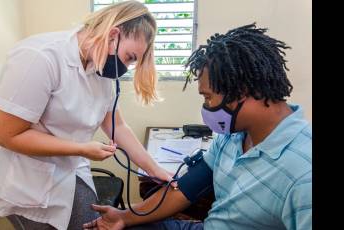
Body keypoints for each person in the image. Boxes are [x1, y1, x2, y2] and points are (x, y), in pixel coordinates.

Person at [83, 23, 312, 230]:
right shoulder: (233, 135)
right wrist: (124, 217)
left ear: (241, 92)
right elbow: (186, 189)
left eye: (208, 98)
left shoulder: (304, 174)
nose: (206, 109)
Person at [0, 1, 173, 230]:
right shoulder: (40, 57)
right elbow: (6, 134)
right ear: (113, 35)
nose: (125, 68)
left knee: (88, 221)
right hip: (21, 177)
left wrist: (155, 170)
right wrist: (82, 149)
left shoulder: (100, 67)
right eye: (129, 57)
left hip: (67, 168)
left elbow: (118, 126)